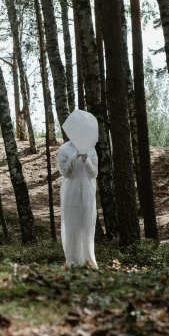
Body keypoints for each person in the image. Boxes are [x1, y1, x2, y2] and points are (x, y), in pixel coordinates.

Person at [58, 110, 99, 269]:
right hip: (71, 189)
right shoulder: (64, 149)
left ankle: (89, 260)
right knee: (72, 224)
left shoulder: (91, 149)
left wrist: (86, 159)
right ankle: (73, 260)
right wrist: (74, 157)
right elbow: (65, 173)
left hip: (87, 189)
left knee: (87, 224)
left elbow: (94, 173)